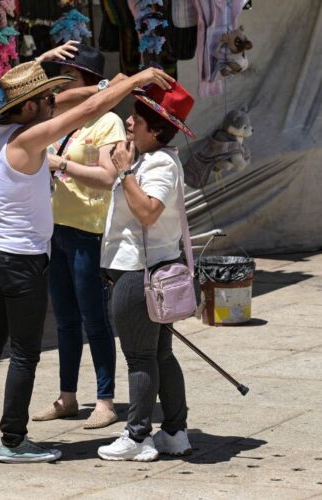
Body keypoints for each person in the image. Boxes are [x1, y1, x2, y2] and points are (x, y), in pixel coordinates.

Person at [0, 53, 174, 463]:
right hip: (19, 261)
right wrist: (134, 81)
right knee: (24, 352)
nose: (53, 102)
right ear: (30, 107)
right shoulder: (27, 139)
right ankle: (14, 440)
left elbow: (77, 99)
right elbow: (85, 110)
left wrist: (106, 85)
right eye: (45, 99)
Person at [97, 81, 196, 462]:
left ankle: (138, 435)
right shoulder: (148, 159)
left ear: (155, 129)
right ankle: (174, 431)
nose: (128, 121)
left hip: (139, 271)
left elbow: (148, 211)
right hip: (142, 269)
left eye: (136, 118)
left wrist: (125, 173)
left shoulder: (158, 164)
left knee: (141, 357)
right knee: (160, 355)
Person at [32, 44, 125, 429]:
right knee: (65, 320)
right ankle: (67, 396)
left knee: (94, 319)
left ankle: (105, 400)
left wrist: (61, 164)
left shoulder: (109, 122)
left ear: (86, 79)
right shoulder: (61, 117)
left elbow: (107, 178)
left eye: (69, 75)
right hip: (55, 229)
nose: (63, 83)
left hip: (87, 229)